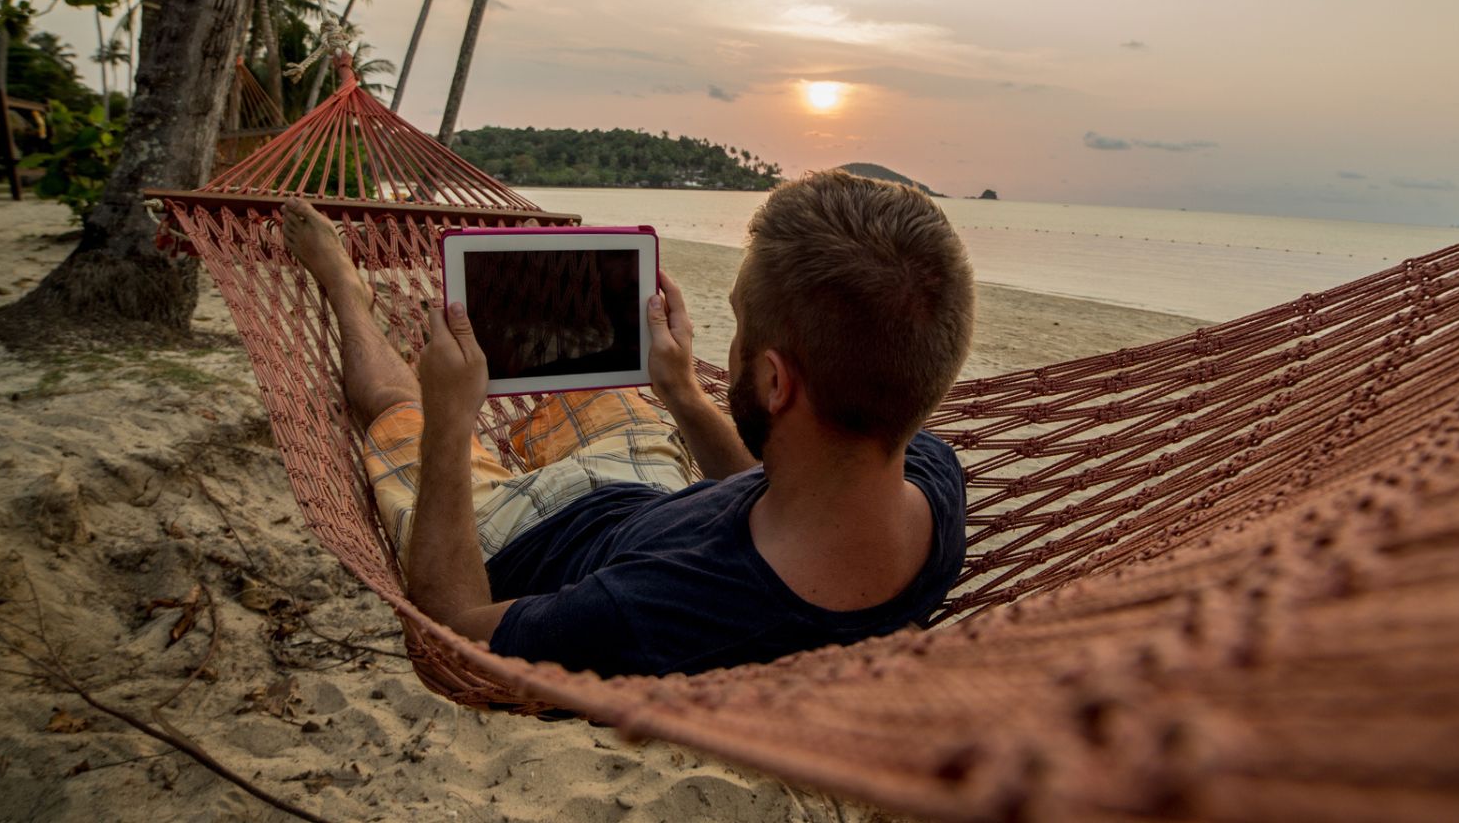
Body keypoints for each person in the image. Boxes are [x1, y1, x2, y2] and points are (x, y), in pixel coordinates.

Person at [281, 170, 975, 677]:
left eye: (734, 324)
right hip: (650, 497)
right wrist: (682, 394)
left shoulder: (647, 610)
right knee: (584, 373)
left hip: (515, 542)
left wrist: (450, 419)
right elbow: (792, 487)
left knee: (405, 410)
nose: (723, 345)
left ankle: (347, 288)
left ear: (771, 382)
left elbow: (453, 631)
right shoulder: (929, 477)